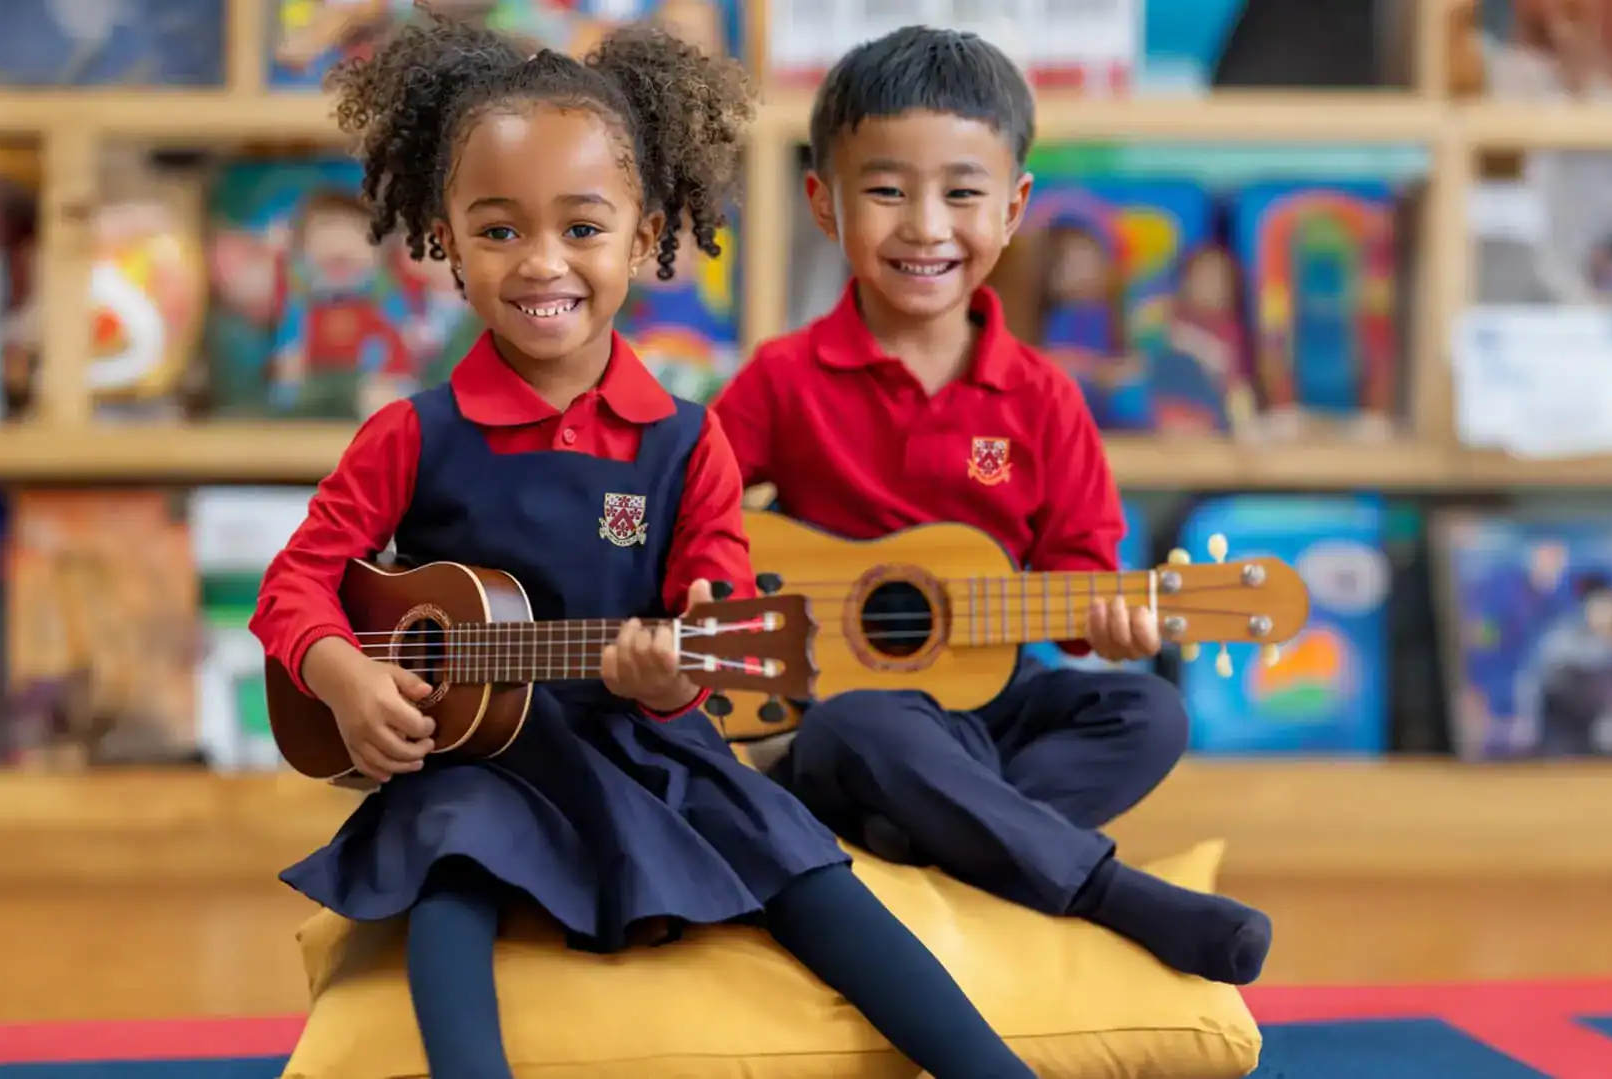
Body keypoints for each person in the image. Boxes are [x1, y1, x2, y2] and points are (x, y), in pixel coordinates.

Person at [250, 17, 1037, 1079]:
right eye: (498, 230)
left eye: (582, 227)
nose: (542, 263)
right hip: (474, 756)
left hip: (637, 743)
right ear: (442, 235)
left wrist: (673, 677)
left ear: (647, 232)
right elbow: (299, 578)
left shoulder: (684, 440)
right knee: (453, 859)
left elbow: (711, 605)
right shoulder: (412, 433)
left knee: (803, 862)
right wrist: (340, 670)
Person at [711, 26, 1272, 988]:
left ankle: (924, 840)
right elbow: (699, 514)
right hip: (847, 729)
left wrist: (1115, 624)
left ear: (1013, 208)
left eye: (962, 193)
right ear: (823, 203)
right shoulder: (784, 380)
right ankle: (1105, 893)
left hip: (981, 710)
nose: (926, 226)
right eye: (887, 191)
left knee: (1148, 714)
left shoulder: (1043, 399)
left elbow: (1081, 575)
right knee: (863, 724)